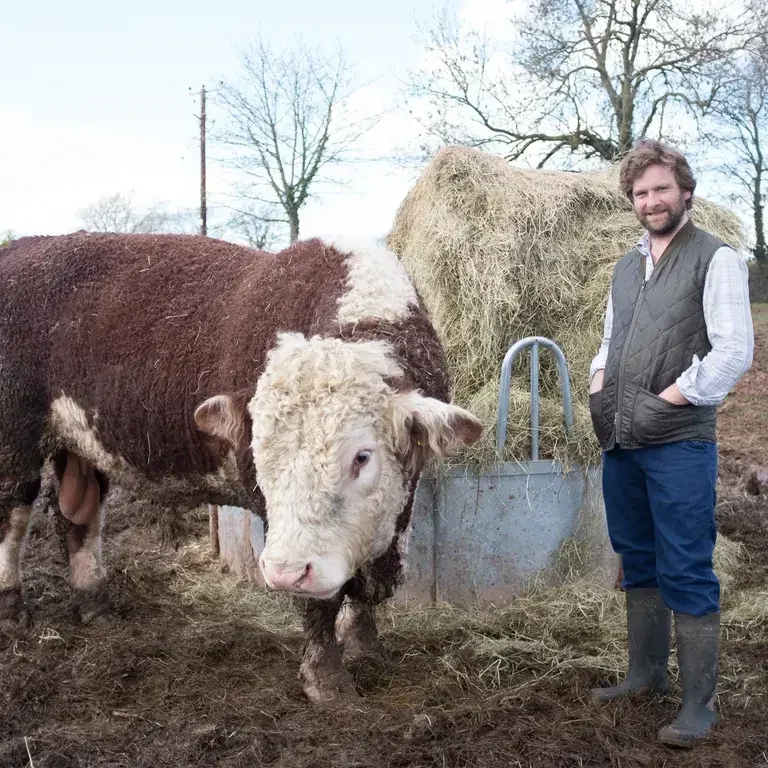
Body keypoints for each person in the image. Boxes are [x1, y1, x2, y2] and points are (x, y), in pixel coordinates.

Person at [588, 138, 754, 748]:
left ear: (686, 191)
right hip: (621, 438)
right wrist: (599, 387)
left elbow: (734, 349)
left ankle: (697, 706)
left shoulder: (718, 259)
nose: (651, 201)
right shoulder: (626, 266)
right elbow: (611, 340)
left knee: (685, 562)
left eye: (661, 189)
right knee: (636, 555)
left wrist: (672, 399)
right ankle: (646, 674)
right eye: (640, 193)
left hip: (678, 440)